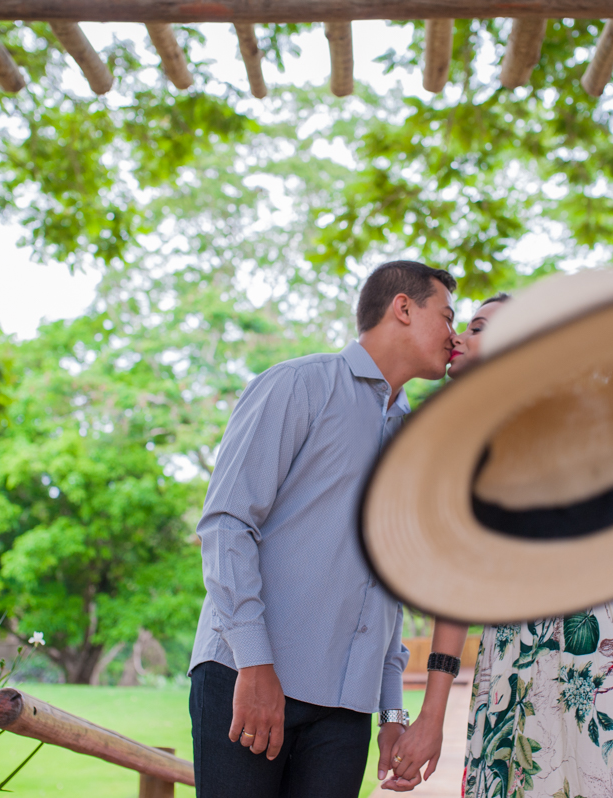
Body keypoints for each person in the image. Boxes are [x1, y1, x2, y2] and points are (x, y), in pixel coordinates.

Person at [188, 260, 462, 798]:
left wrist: (390, 711)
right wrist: (256, 664)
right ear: (402, 308)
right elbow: (226, 524)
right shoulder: (298, 386)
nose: (454, 333)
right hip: (250, 679)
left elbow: (382, 592)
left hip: (345, 712)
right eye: (447, 315)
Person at [383, 294, 613, 798]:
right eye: (462, 327)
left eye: (480, 328)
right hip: (509, 654)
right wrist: (430, 717)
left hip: (593, 649)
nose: (458, 338)